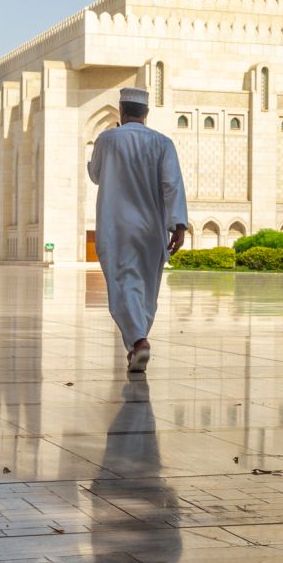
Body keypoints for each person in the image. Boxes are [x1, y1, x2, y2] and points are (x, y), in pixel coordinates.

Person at [87, 87, 188, 372]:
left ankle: (139, 341)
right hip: (151, 228)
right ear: (146, 114)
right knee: (145, 288)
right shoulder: (162, 142)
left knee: (123, 285)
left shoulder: (107, 139)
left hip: (116, 226)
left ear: (121, 111)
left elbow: (95, 174)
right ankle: (136, 348)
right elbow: (172, 184)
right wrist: (178, 224)